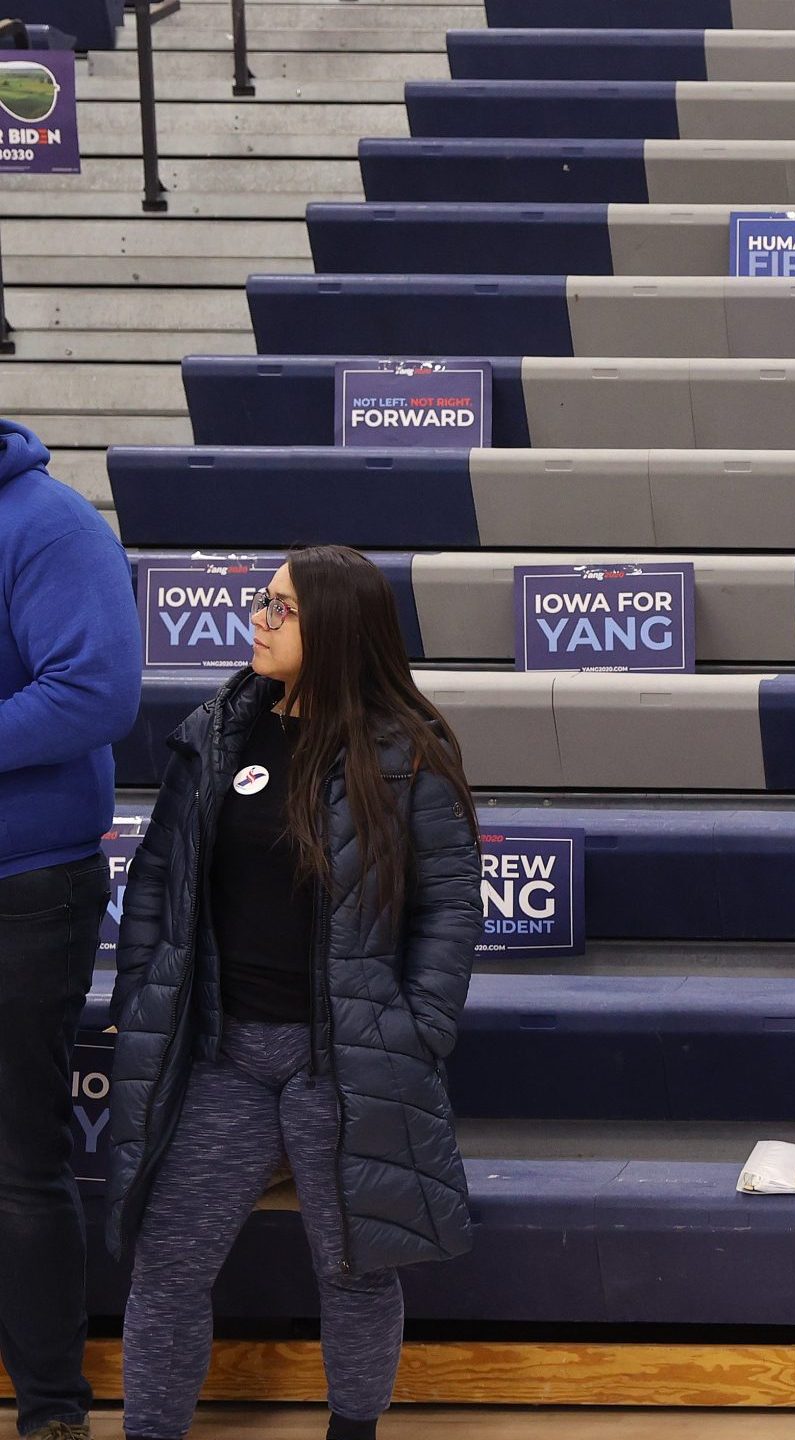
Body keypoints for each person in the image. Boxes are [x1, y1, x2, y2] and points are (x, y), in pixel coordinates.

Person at [106, 546, 482, 1440]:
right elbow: (158, 876)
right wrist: (141, 994)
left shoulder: (405, 754)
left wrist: (417, 1026)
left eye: (281, 609)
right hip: (222, 1055)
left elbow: (449, 905)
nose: (258, 621)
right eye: (260, 603)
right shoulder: (218, 731)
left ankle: (353, 1430)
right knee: (167, 1265)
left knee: (353, 1268)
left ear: (337, 628)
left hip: (340, 1063)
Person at [0, 419, 143, 1440]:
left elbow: (96, 692)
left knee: (16, 1162)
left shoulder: (47, 522)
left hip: (23, 887)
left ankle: (52, 1411)